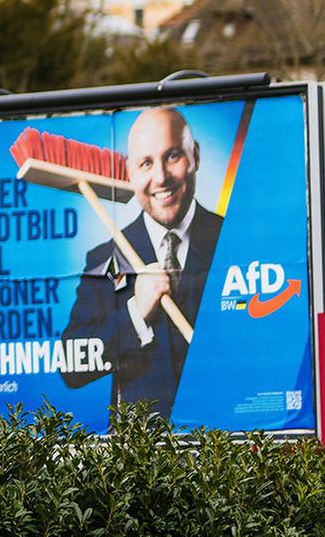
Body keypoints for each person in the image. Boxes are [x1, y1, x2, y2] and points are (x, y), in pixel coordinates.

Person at [59, 106, 224, 420]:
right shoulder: (103, 258)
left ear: (196, 156)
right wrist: (136, 312)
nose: (160, 177)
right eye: (146, 163)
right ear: (130, 172)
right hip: (142, 454)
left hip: (224, 440)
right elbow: (71, 366)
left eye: (173, 156)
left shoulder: (233, 242)